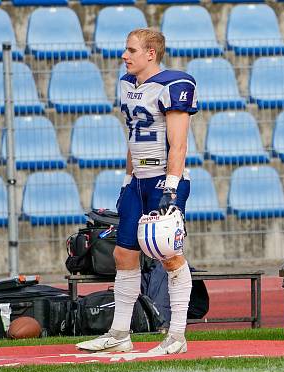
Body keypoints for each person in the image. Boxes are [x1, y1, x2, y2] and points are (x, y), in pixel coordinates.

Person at [77, 29, 197, 354]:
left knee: (168, 255)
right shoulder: (127, 84)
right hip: (139, 180)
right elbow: (133, 136)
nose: (124, 55)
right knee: (123, 255)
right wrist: (127, 179)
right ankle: (119, 334)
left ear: (151, 54)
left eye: (131, 50)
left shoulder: (174, 84)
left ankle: (177, 336)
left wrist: (171, 188)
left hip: (163, 180)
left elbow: (179, 143)